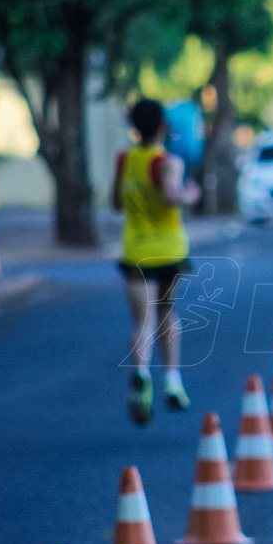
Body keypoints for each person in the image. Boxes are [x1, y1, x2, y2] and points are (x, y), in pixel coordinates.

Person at [111, 98, 200, 426]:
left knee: (141, 321)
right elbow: (171, 196)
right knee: (166, 312)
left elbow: (115, 203)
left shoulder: (124, 160)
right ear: (163, 126)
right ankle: (173, 380)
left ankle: (141, 373)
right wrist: (191, 194)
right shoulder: (168, 162)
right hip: (169, 251)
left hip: (135, 252)